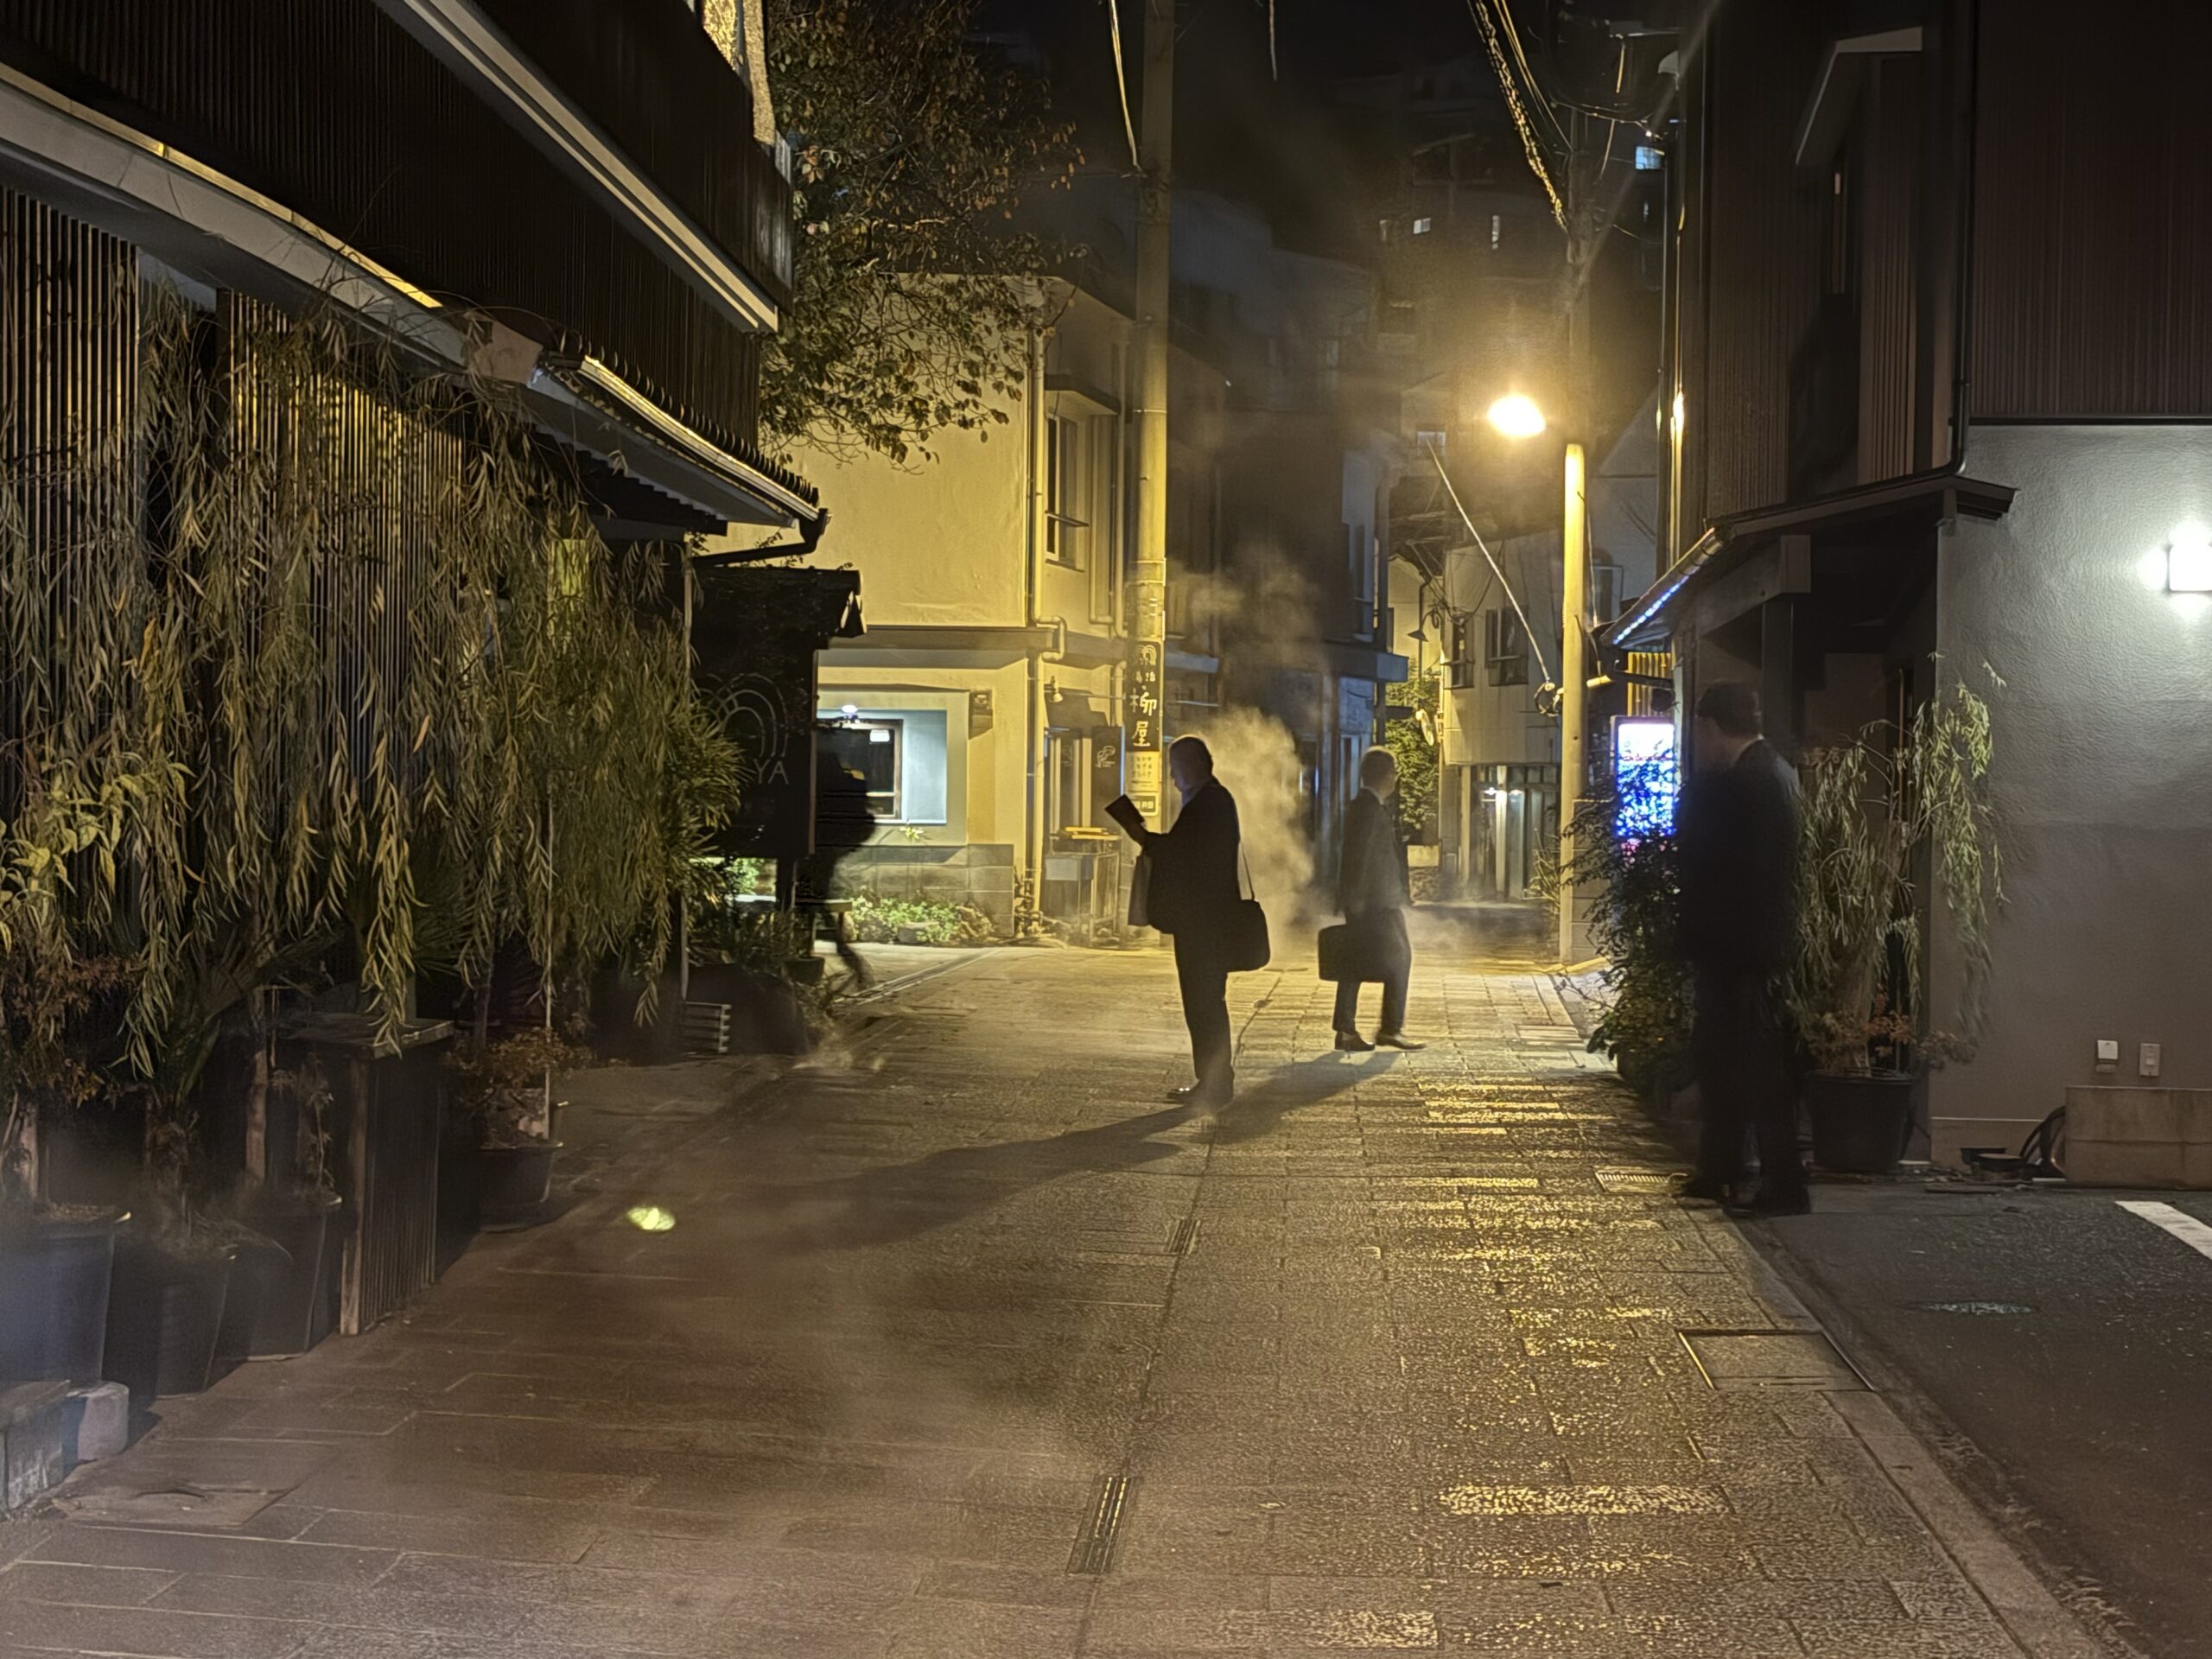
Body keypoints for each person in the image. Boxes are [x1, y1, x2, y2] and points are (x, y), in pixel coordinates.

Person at [1676, 682, 1806, 1217]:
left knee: (1753, 1067)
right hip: (1753, 946)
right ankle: (1722, 1168)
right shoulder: (1773, 772)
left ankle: (1780, 1183)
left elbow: (1736, 874)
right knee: (1730, 1062)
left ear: (1710, 727)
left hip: (1742, 950)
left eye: (1699, 732)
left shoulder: (1747, 782)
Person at [1135, 735, 1243, 1108]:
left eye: (1176, 767)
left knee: (1203, 1002)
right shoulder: (1213, 799)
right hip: (1207, 918)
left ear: (1195, 764)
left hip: (1204, 921)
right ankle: (1214, 1079)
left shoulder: (1208, 802)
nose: (1172, 776)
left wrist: (1146, 839)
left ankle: (1214, 1081)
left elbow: (1184, 853)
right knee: (1206, 1000)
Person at [1332, 746, 1423, 1052]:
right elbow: (1359, 856)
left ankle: (1349, 1029)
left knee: (1354, 961)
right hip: (1376, 902)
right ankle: (1389, 1028)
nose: (1396, 778)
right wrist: (1357, 898)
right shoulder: (1368, 809)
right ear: (1385, 775)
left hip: (1373, 900)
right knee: (1398, 958)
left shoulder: (1366, 806)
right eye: (1394, 772)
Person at [803, 735, 877, 986]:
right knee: (814, 900)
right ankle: (840, 958)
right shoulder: (841, 783)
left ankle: (808, 960)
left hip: (817, 848)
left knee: (810, 900)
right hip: (825, 848)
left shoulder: (818, 778)